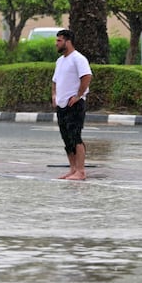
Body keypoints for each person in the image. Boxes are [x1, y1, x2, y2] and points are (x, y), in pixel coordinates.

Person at [51, 28, 92, 180]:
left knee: (75, 137)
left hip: (75, 104)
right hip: (62, 105)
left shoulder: (78, 59)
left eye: (59, 41)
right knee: (66, 138)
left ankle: (81, 171)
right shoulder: (60, 61)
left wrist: (78, 95)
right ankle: (72, 169)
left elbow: (87, 76)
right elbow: (54, 81)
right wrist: (54, 95)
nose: (56, 44)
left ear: (68, 42)